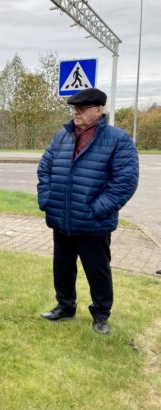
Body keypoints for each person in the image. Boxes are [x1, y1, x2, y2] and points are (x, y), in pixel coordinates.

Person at [37, 88, 139, 335]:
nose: (76, 113)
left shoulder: (118, 139)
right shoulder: (62, 136)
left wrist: (97, 209)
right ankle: (65, 306)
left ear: (99, 110)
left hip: (93, 222)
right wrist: (47, 200)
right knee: (62, 267)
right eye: (74, 109)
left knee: (97, 270)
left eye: (82, 109)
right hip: (61, 218)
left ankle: (101, 315)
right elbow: (45, 169)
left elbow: (124, 182)